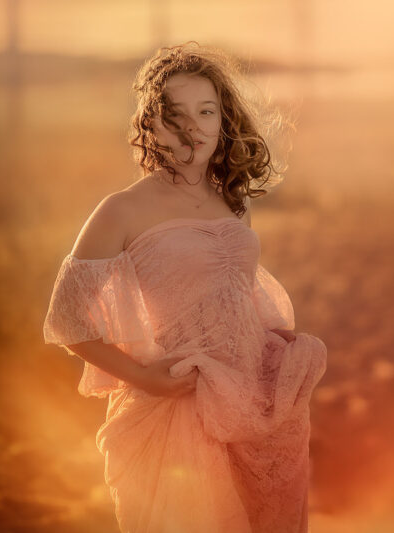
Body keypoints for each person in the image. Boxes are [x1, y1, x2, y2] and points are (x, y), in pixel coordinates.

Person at [42, 41, 327, 533]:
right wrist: (145, 378)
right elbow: (68, 322)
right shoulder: (121, 210)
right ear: (150, 123)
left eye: (206, 111)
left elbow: (234, 290)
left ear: (224, 121)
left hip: (251, 398)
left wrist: (272, 341)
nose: (192, 127)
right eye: (174, 114)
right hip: (180, 404)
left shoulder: (233, 202)